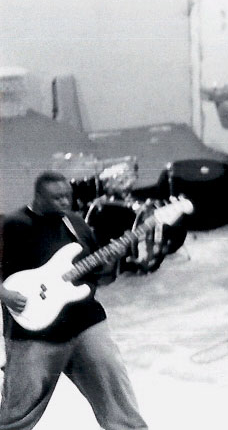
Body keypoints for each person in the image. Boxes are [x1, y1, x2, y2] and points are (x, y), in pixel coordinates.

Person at [0, 171, 147, 430]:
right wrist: (5, 295)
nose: (65, 202)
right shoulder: (12, 225)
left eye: (67, 196)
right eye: (57, 198)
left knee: (120, 406)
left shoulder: (77, 225)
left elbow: (100, 280)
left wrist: (111, 261)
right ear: (38, 197)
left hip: (85, 325)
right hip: (33, 335)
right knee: (17, 416)